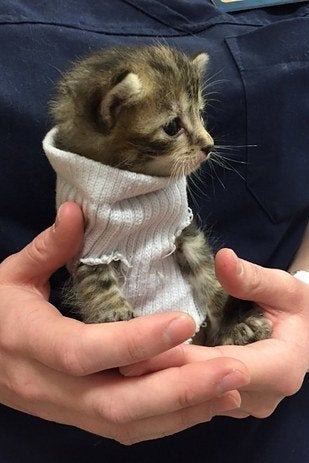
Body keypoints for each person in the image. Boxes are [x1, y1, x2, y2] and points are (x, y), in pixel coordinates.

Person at [0, 1, 308, 462]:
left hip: (269, 419)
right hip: (43, 431)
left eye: (200, 116)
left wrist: (306, 290)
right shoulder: (89, 188)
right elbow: (92, 265)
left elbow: (190, 246)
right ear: (111, 110)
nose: (206, 142)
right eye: (173, 128)